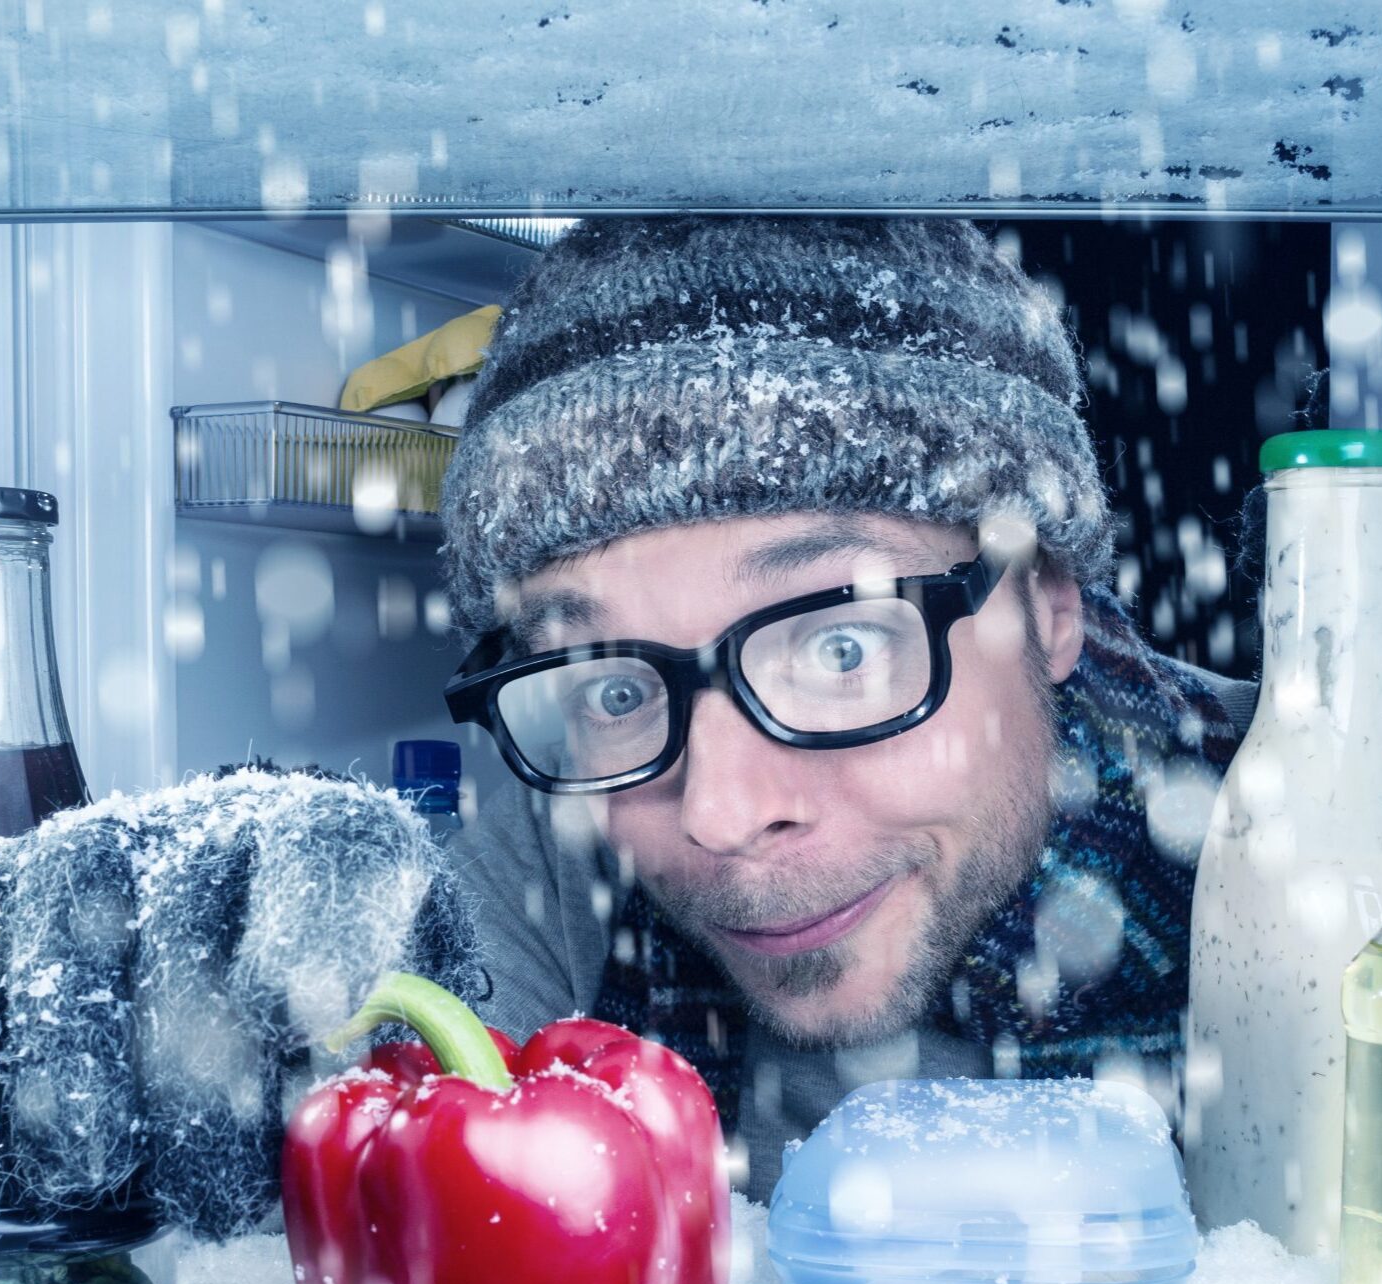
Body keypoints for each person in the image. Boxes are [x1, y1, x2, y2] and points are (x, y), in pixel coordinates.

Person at [437, 217, 1255, 1200]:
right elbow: (392, 1163)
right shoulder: (563, 869)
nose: (720, 812)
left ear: (1048, 603)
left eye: (839, 646)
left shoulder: (1293, 835)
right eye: (613, 688)